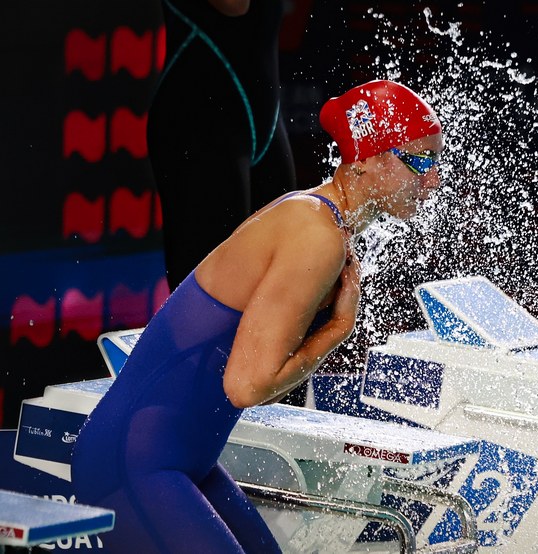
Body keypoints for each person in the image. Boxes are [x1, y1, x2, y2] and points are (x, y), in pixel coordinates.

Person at [71, 79, 443, 553]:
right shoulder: (317, 236)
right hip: (134, 461)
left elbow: (254, 383)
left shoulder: (319, 220)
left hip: (183, 462)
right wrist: (336, 330)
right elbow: (246, 387)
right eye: (420, 161)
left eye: (438, 162)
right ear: (367, 158)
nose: (433, 180)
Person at [147, 0, 297, 293]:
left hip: (264, 120)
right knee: (211, 298)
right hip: (200, 121)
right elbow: (235, 4)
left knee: (283, 283)